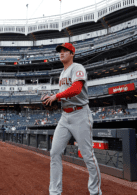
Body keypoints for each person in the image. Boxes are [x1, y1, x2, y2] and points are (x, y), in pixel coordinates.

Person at [41, 42, 102, 195]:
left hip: (81, 114)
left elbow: (76, 89)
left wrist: (56, 96)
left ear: (72, 53)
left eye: (65, 51)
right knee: (54, 152)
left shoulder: (77, 68)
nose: (61, 53)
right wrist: (52, 98)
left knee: (88, 156)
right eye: (60, 51)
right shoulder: (62, 73)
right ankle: (54, 191)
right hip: (65, 116)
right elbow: (63, 94)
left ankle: (95, 192)